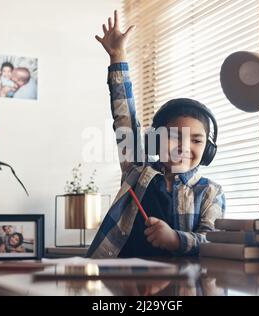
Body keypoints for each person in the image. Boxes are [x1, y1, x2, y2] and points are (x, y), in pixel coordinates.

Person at [87, 11, 225, 258]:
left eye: (196, 140)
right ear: (155, 140)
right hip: (122, 280)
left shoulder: (210, 192)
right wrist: (118, 55)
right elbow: (124, 118)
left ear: (209, 149)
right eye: (174, 135)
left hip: (180, 286)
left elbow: (211, 242)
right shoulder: (136, 169)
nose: (184, 146)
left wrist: (175, 240)